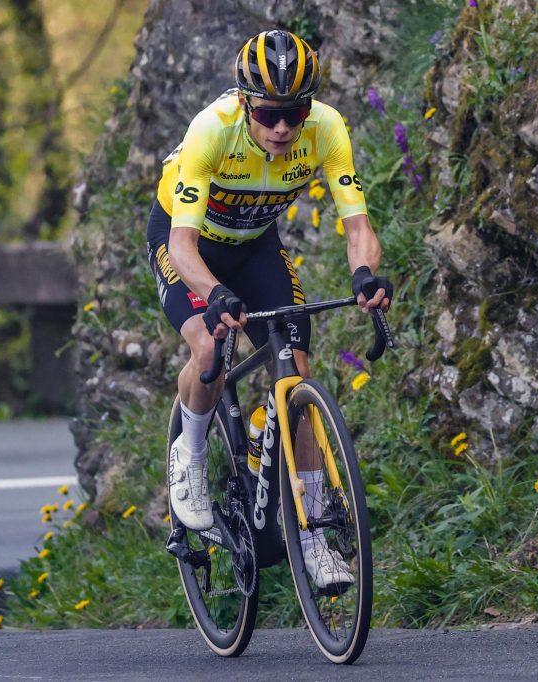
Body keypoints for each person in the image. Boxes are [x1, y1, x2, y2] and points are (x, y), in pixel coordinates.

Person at [146, 30, 392, 587]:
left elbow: (358, 227)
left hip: (255, 245)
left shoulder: (326, 129)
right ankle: (190, 457)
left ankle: (311, 534)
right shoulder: (211, 130)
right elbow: (182, 249)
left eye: (294, 112)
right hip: (186, 242)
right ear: (244, 102)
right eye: (269, 113)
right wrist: (214, 296)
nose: (282, 127)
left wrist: (364, 275)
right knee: (210, 345)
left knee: (296, 372)